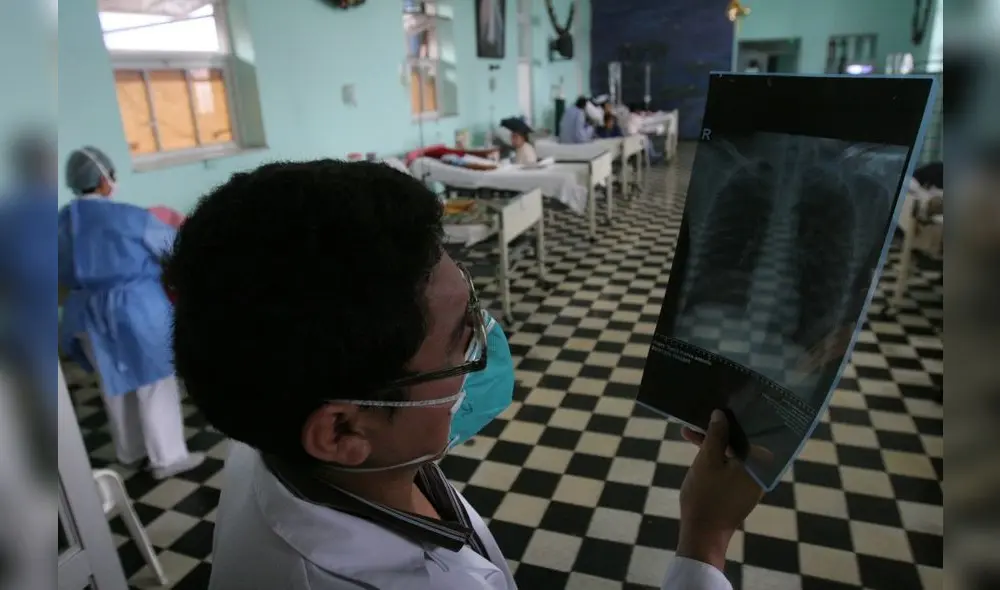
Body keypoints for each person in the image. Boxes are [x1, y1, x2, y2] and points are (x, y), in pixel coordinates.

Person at [162, 159, 764, 590]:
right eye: (463, 340)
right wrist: (705, 538)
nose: (488, 339)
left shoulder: (275, 440)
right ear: (343, 430)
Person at [58, 146, 203, 479]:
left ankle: (130, 453)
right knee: (155, 382)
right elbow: (174, 248)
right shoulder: (129, 217)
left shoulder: (59, 224)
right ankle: (168, 457)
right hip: (135, 309)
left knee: (114, 384)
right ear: (104, 180)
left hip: (85, 313)